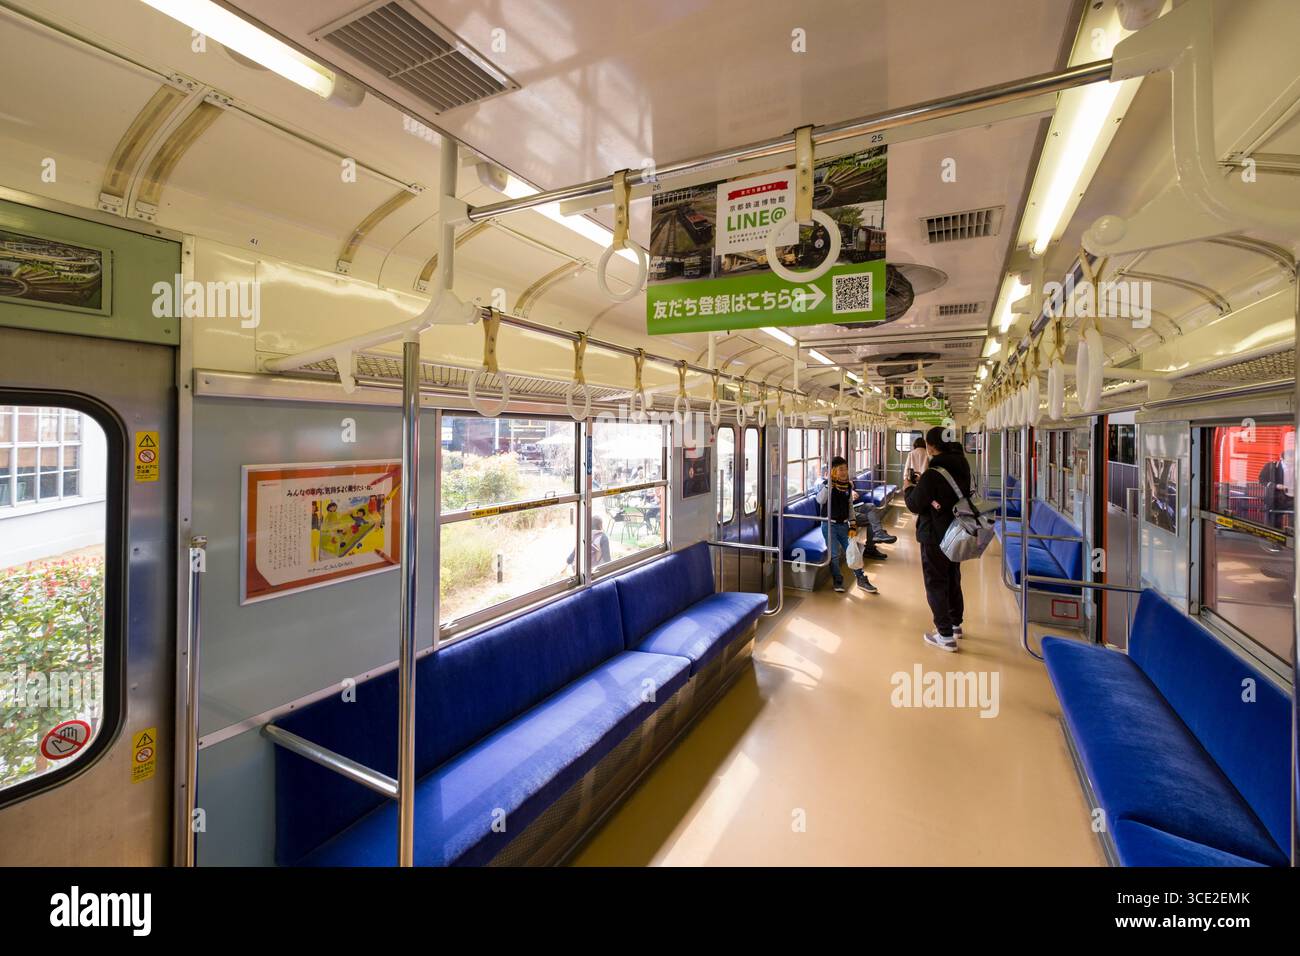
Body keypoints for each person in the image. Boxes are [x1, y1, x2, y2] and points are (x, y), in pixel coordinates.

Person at [904, 426, 971, 652]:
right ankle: (954, 624)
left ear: (932, 446)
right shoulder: (961, 465)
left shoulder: (933, 473)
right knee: (953, 577)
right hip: (957, 531)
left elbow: (915, 503)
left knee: (936, 581)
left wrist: (908, 488)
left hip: (934, 535)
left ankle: (944, 635)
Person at [817, 456, 878, 594]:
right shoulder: (825, 485)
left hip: (844, 524)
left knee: (853, 552)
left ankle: (861, 579)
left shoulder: (848, 486)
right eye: (840, 469)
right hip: (829, 525)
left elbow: (850, 506)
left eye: (845, 469)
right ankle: (838, 579)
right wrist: (829, 485)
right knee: (834, 555)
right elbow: (820, 500)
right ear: (833, 471)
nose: (844, 472)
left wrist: (853, 524)